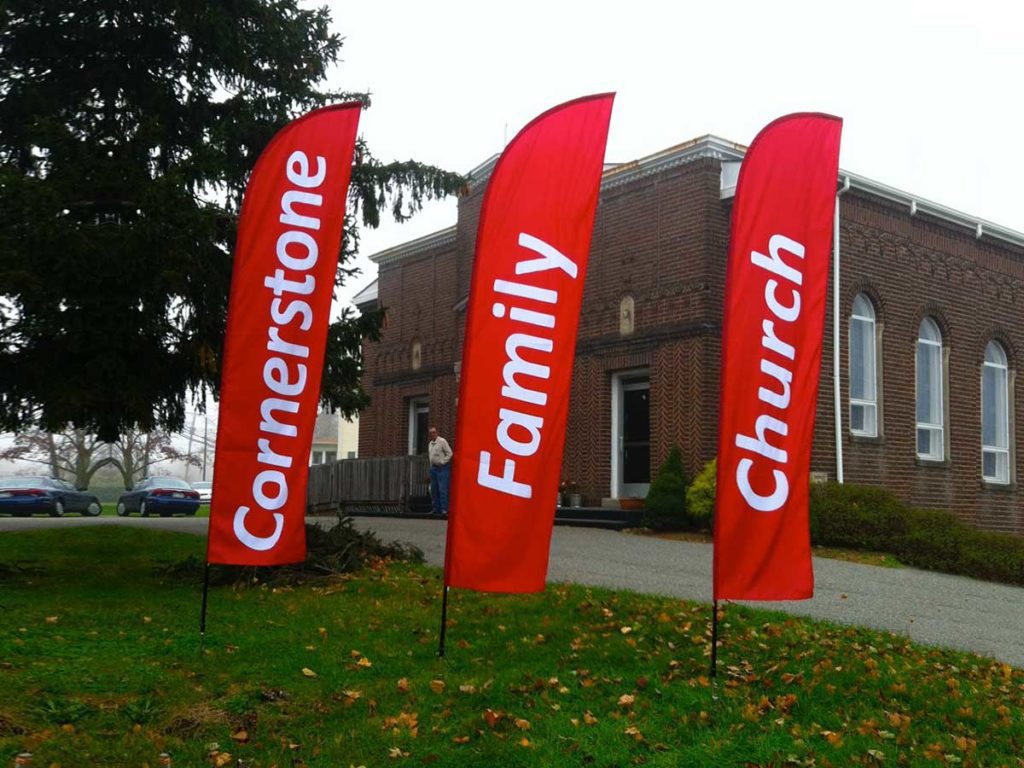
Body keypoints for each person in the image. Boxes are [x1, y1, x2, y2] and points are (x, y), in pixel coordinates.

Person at [427, 426, 453, 515]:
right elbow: (430, 456)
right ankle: (435, 508)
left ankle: (444, 509)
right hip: (433, 468)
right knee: (434, 490)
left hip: (442, 468)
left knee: (442, 489)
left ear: (437, 433)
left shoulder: (442, 441)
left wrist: (443, 462)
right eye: (431, 433)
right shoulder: (430, 444)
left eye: (434, 432)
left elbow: (449, 453)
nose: (432, 434)